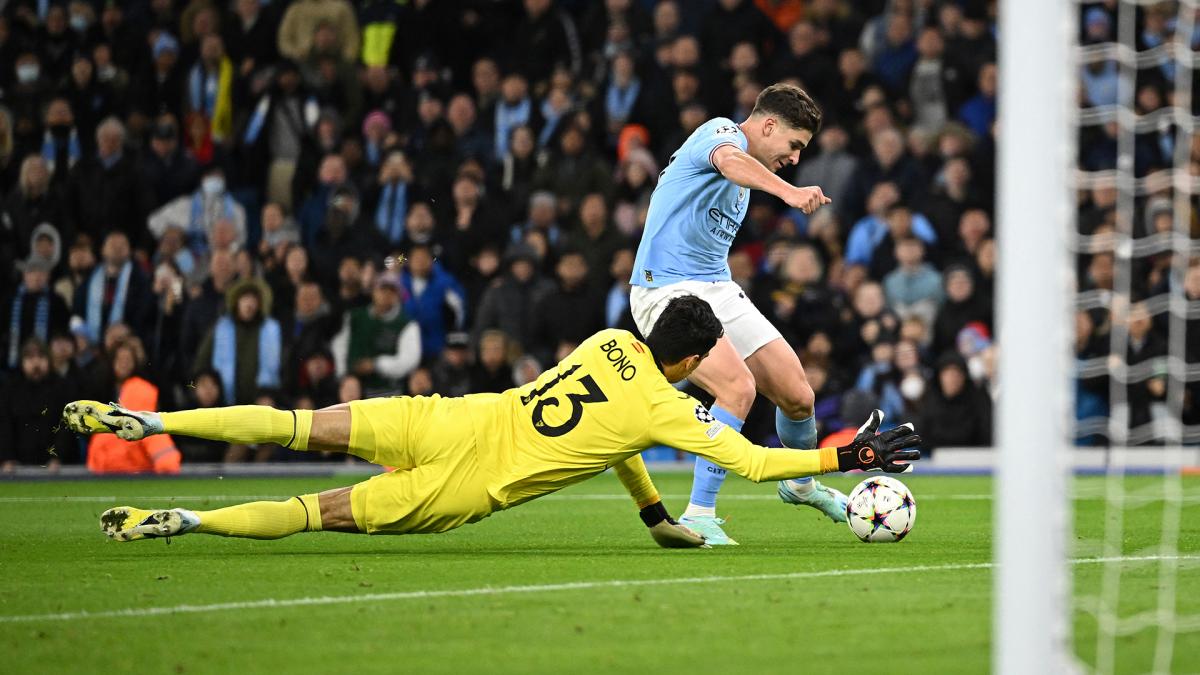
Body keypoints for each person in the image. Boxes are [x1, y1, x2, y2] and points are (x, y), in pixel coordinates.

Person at [63, 295, 921, 544]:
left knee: (298, 423)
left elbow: (614, 440)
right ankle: (189, 519)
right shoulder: (669, 406)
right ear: (694, 360)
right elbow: (755, 464)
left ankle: (157, 417)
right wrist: (846, 455)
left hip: (450, 417)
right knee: (311, 511)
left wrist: (652, 511)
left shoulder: (605, 341)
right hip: (469, 484)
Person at [627, 82, 839, 544]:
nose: (795, 158)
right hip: (664, 288)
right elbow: (729, 161)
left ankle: (800, 485)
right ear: (767, 125)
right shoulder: (721, 133)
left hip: (716, 288)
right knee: (737, 387)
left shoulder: (747, 182)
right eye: (794, 145)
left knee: (799, 395)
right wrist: (788, 192)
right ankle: (700, 513)